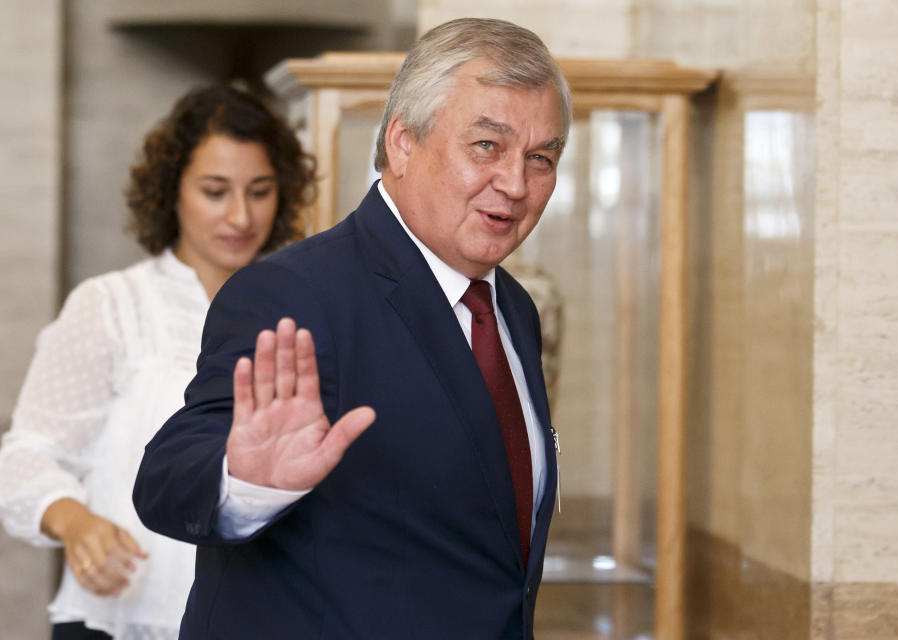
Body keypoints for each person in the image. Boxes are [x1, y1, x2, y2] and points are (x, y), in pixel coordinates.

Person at [133, 17, 572, 640]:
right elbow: (166, 479)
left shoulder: (514, 310)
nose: (516, 184)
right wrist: (245, 481)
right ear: (402, 142)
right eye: (486, 147)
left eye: (541, 158)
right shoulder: (294, 292)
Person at [0, 84, 314, 640]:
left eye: (260, 191)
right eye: (215, 191)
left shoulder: (303, 308)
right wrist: (75, 523)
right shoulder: (112, 306)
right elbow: (23, 457)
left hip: (259, 618)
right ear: (172, 192)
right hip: (121, 617)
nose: (240, 215)